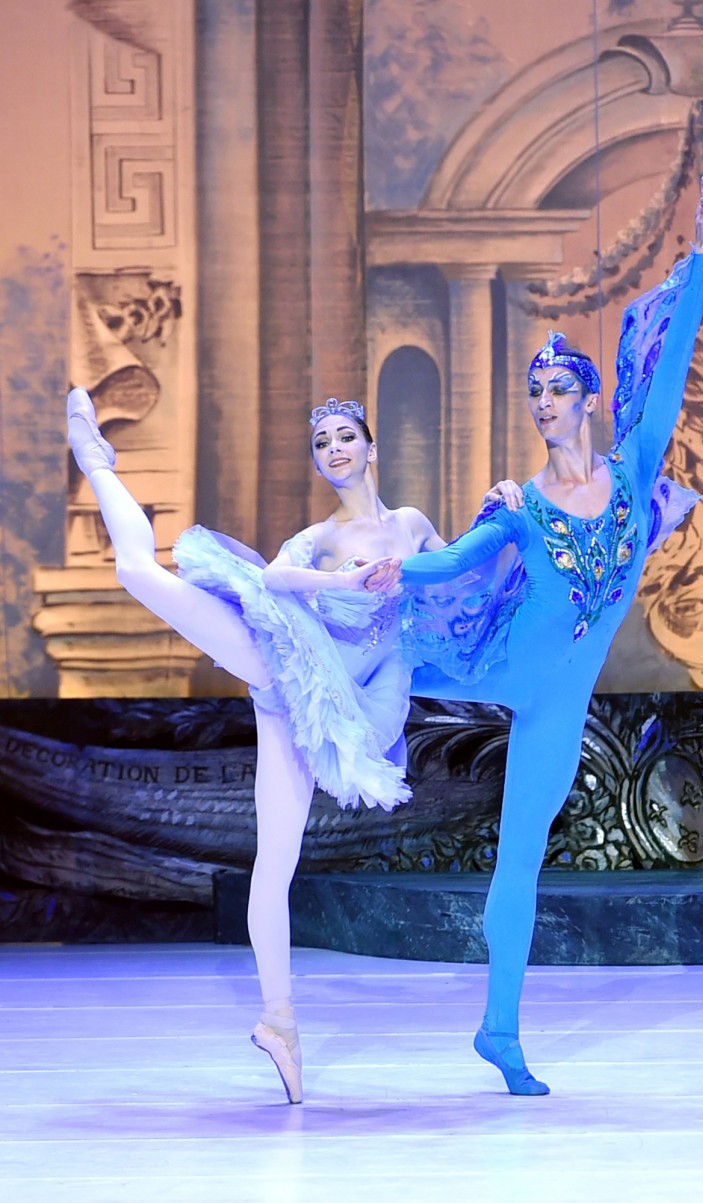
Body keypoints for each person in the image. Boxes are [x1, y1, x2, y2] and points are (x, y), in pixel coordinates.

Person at [394, 174, 703, 1096]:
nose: (542, 400)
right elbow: (454, 563)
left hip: (556, 707)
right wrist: (386, 574)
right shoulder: (521, 504)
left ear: (588, 397)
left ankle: (499, 1031)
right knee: (379, 647)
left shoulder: (632, 471)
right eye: (533, 390)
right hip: (490, 665)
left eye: (557, 387)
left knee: (520, 857)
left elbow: (667, 379)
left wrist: (700, 260)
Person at [66, 392, 445, 1104]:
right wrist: (342, 580)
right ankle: (97, 462)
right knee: (137, 572)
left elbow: (456, 573)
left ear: (372, 447)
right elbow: (273, 577)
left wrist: (502, 505)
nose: (334, 449)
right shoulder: (321, 537)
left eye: (345, 437)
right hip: (288, 670)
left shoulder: (410, 524)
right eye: (322, 442)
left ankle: (279, 1025)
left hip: (347, 703)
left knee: (278, 861)